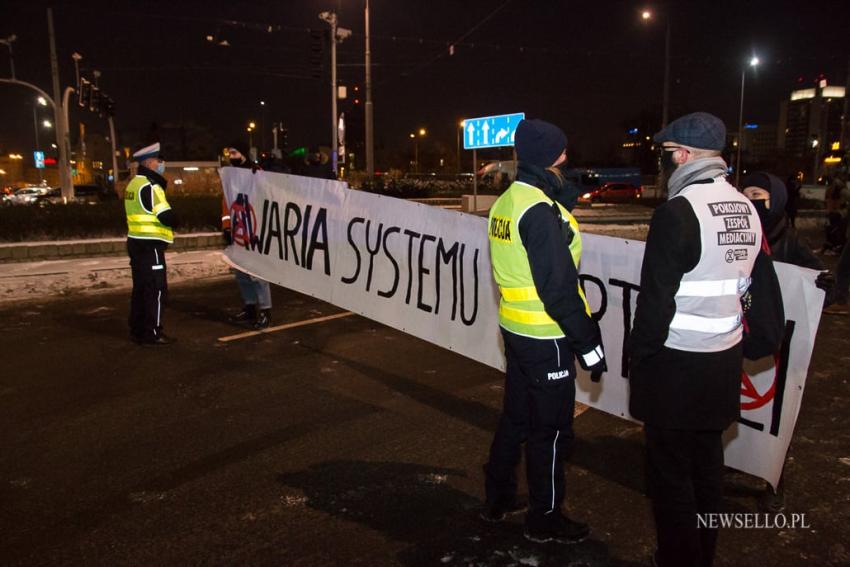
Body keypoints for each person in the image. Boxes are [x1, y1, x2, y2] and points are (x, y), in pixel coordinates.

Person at [628, 112, 784, 567]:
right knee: (706, 473)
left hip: (675, 366)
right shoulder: (747, 210)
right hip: (721, 365)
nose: (666, 162)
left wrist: (641, 360)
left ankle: (679, 559)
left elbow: (655, 304)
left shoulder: (677, 213)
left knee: (671, 479)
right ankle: (703, 555)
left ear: (684, 155)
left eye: (667, 153)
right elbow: (749, 288)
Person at [483, 118, 607, 545]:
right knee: (551, 431)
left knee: (516, 418)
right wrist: (588, 343)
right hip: (547, 337)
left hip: (516, 332)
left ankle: (497, 496)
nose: (567, 158)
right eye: (562, 152)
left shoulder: (507, 202)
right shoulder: (537, 209)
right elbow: (558, 288)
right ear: (549, 157)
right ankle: (545, 517)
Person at [740, 171, 834, 511]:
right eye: (746, 192)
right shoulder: (736, 236)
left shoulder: (789, 241)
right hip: (742, 338)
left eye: (759, 195)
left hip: (779, 346)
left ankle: (771, 478)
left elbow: (820, 282)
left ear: (776, 200)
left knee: (775, 417)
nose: (751, 200)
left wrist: (824, 284)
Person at [125, 142, 176, 346]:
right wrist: (178, 218)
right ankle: (152, 332)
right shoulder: (150, 186)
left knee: (140, 289)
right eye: (158, 160)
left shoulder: (133, 184)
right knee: (155, 289)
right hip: (151, 246)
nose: (161, 164)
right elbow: (165, 216)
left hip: (136, 243)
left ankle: (137, 329)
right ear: (148, 162)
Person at [222, 143, 273, 329]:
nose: (231, 155)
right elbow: (226, 203)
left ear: (243, 153)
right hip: (238, 232)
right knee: (241, 273)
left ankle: (265, 311)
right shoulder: (230, 175)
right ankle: (250, 308)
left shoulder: (255, 172)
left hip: (253, 231)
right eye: (229, 152)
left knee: (257, 274)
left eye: (234, 151)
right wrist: (227, 227)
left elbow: (264, 198)